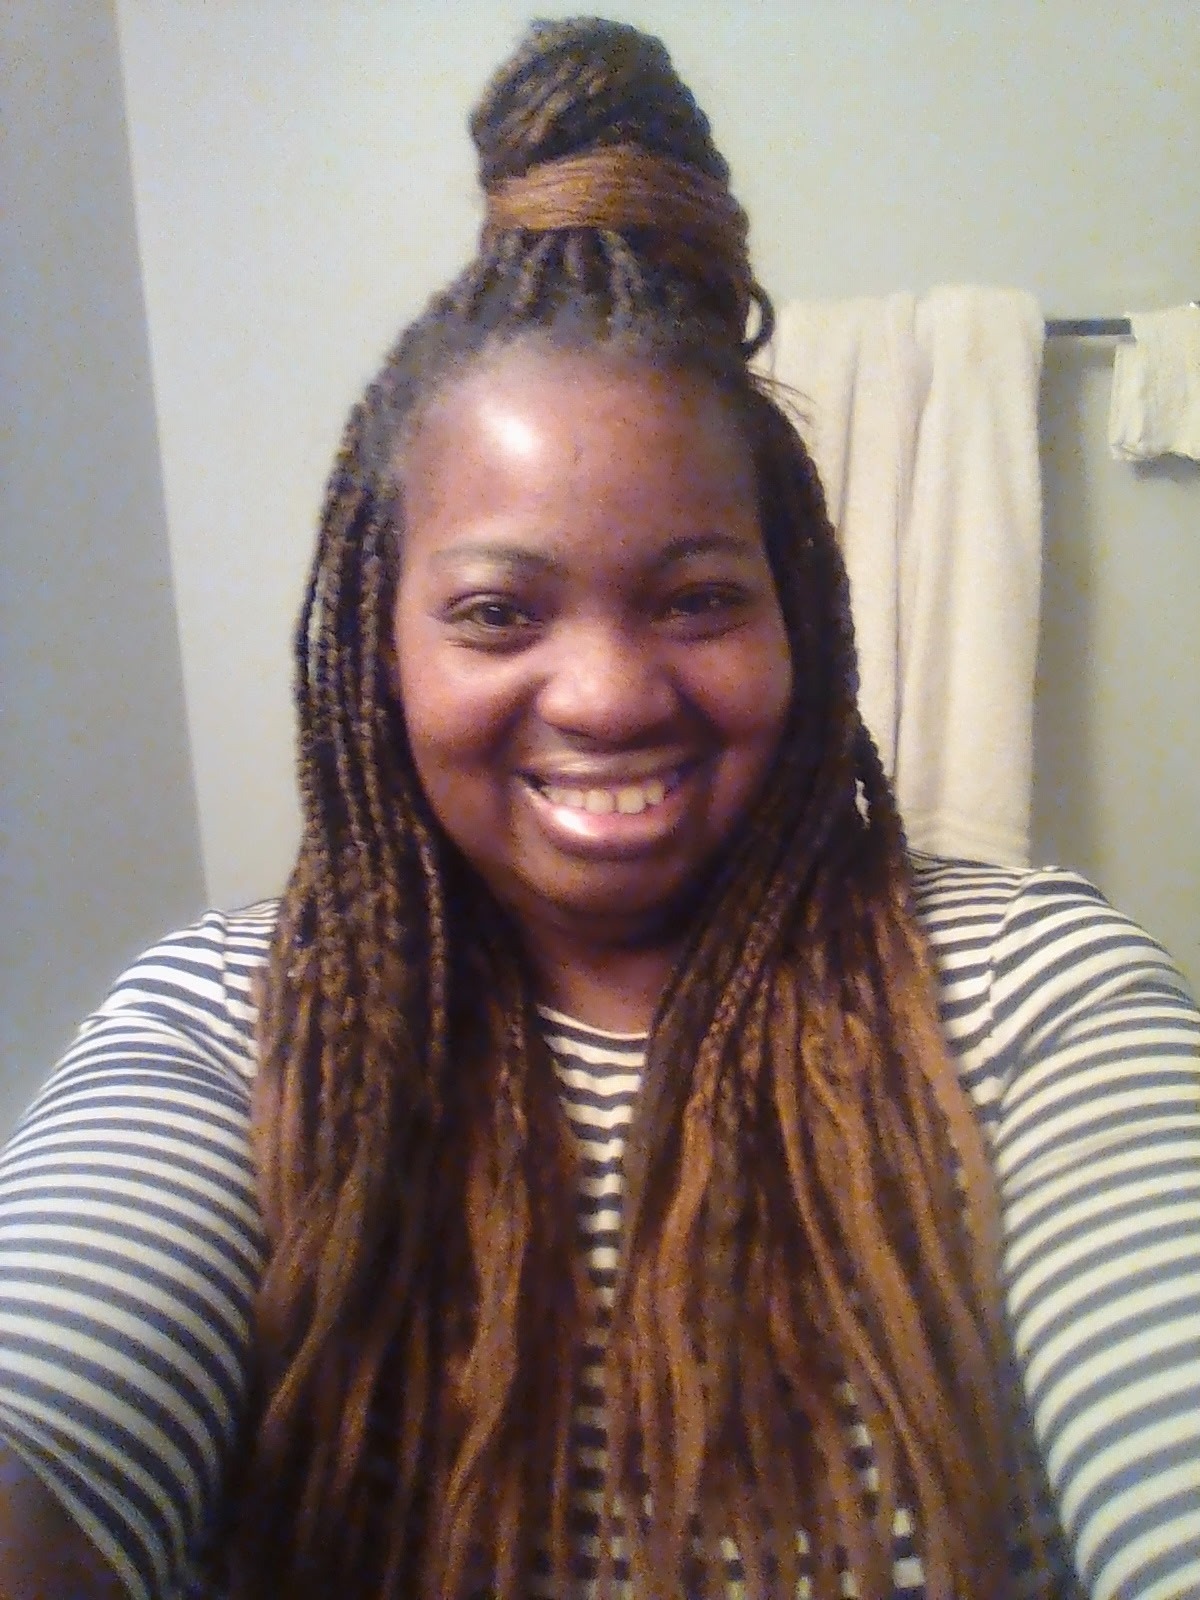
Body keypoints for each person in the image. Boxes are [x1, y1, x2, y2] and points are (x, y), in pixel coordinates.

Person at [0, 16, 1197, 1600]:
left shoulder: (1031, 999)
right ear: (379, 649)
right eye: (500, 613)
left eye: (697, 600)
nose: (612, 696)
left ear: (799, 619)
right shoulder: (235, 1029)